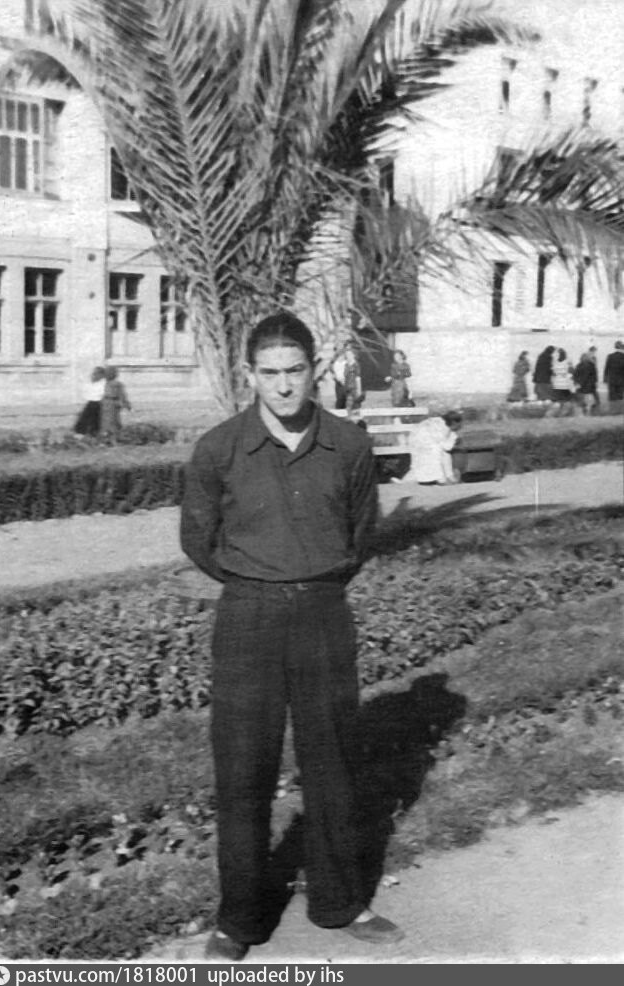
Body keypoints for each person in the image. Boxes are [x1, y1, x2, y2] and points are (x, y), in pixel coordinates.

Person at [180, 312, 403, 961]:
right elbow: (198, 539)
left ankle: (340, 902)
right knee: (243, 769)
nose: (283, 386)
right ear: (250, 375)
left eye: (295, 371)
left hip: (323, 615)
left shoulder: (349, 446)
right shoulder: (219, 449)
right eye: (270, 373)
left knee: (332, 761)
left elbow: (360, 534)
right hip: (247, 618)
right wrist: (259, 581)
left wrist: (311, 581)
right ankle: (240, 919)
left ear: (314, 371)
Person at [392, 410, 463, 485]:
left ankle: (404, 481)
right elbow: (446, 448)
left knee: (420, 464)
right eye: (458, 425)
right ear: (454, 423)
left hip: (416, 441)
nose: (459, 427)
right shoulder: (444, 428)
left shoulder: (438, 421)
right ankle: (441, 479)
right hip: (423, 443)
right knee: (436, 457)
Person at [100, 366, 132, 441]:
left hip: (113, 403)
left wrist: (127, 404)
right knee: (106, 421)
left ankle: (115, 436)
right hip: (106, 403)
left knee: (114, 420)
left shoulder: (118, 384)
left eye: (108, 373)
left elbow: (122, 395)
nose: (106, 376)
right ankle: (107, 436)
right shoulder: (105, 384)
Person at [74, 366, 106, 437]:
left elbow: (102, 395)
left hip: (99, 403)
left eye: (95, 374)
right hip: (93, 402)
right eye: (93, 373)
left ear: (101, 375)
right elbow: (88, 393)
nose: (93, 375)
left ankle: (85, 431)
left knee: (90, 415)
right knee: (88, 414)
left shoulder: (103, 383)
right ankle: (84, 431)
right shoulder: (94, 382)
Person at [550, 347, 576, 416]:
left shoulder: (555, 363)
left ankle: (554, 414)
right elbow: (572, 373)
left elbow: (553, 373)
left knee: (558, 401)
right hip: (565, 385)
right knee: (567, 400)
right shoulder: (567, 363)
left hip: (557, 385)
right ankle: (562, 414)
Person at [342, 346, 365, 413]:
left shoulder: (356, 365)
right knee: (348, 405)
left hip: (354, 388)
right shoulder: (346, 365)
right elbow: (345, 376)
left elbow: (358, 378)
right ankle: (350, 417)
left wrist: (359, 390)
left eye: (349, 354)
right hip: (347, 388)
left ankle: (356, 417)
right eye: (347, 355)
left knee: (355, 405)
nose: (348, 356)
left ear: (353, 355)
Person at [603, 340, 624, 407]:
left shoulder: (610, 356)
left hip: (612, 380)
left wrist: (605, 379)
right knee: (619, 396)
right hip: (621, 380)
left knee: (612, 397)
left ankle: (612, 409)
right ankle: (619, 409)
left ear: (615, 347)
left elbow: (606, 368)